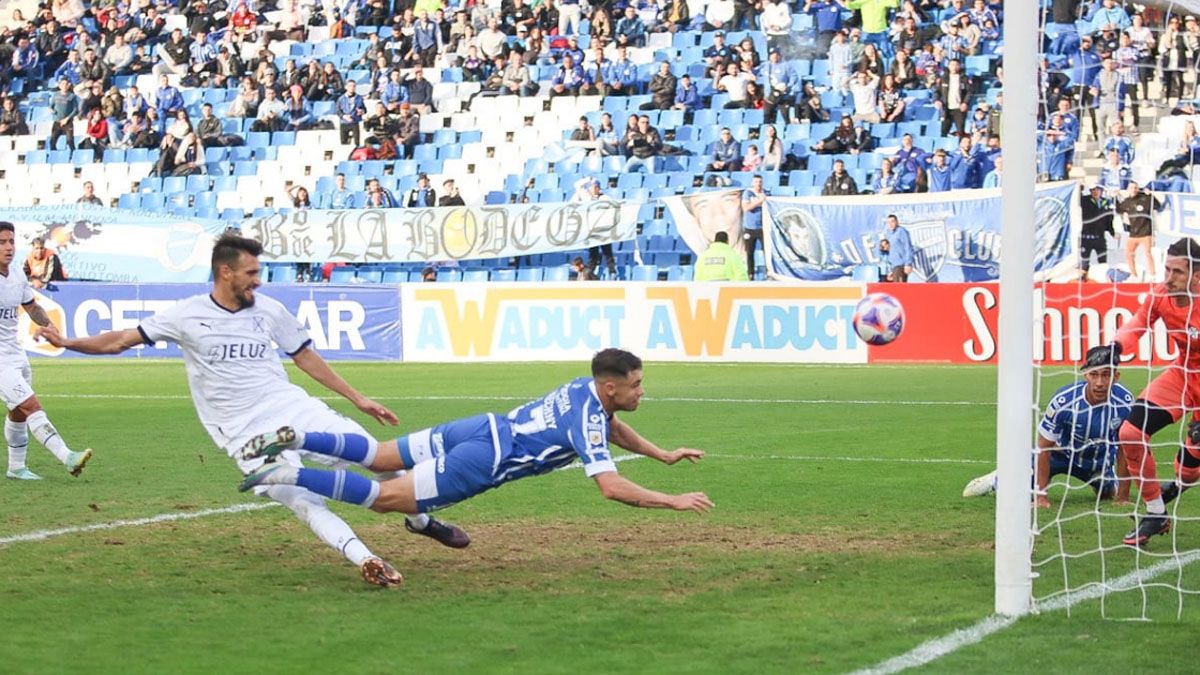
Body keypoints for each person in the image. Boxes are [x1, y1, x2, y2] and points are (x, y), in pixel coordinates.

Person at [34, 234, 468, 585]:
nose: (258, 280)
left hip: (292, 408)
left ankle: (420, 520)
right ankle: (365, 558)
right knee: (302, 499)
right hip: (243, 433)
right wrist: (68, 342)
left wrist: (358, 398)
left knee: (377, 453)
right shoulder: (186, 315)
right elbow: (120, 340)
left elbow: (304, 356)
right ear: (226, 272)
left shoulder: (269, 310)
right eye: (251, 272)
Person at [235, 349, 714, 559]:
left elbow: (613, 428)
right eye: (635, 385)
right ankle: (289, 475)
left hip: (480, 426)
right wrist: (670, 499)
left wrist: (662, 455)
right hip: (484, 461)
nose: (641, 391)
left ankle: (297, 437)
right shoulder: (589, 415)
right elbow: (610, 486)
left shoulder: (582, 389)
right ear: (611, 386)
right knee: (387, 498)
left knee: (380, 454)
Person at [962, 345, 1133, 508]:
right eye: (1094, 375)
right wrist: (1041, 497)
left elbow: (1126, 448)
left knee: (1107, 495)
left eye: (1106, 375)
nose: (1099, 383)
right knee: (1016, 493)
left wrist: (1123, 498)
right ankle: (997, 480)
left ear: (1116, 377)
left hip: (1096, 462)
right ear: (1085, 375)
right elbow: (1043, 447)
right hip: (1059, 455)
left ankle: (1104, 483)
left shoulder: (1125, 403)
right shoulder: (1064, 401)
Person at [1110, 239, 1200, 546]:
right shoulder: (1160, 295)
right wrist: (1115, 347)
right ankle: (1155, 511)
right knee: (1130, 432)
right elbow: (1137, 324)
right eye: (1167, 269)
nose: (1168, 277)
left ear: (1197, 276)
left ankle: (1176, 485)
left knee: (1189, 471)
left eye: (1177, 271)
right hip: (1183, 376)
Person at [0, 224, 90, 481]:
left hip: (15, 354)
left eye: (11, 241)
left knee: (17, 411)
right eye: (2, 242)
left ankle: (16, 467)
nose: (8, 247)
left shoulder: (17, 274)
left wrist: (50, 327)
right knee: (30, 405)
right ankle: (67, 457)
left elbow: (32, 307)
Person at [1116, 182, 1161, 282]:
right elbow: (1119, 210)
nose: (1133, 189)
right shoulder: (1127, 201)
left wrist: (1151, 195)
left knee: (1148, 254)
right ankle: (1134, 275)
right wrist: (1115, 197)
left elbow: (1158, 206)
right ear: (1128, 189)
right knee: (1128, 254)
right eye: (1131, 188)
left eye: (1135, 187)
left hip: (1146, 232)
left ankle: (1153, 275)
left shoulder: (1145, 198)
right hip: (1133, 233)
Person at [1079, 184, 1115, 280]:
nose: (1095, 192)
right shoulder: (1085, 200)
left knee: (1102, 259)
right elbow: (1077, 199)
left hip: (1100, 236)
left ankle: (1103, 277)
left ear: (1101, 190)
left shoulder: (1106, 202)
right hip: (1086, 236)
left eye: (1097, 190)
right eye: (1092, 190)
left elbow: (1109, 218)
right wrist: (1079, 188)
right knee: (1085, 260)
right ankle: (1083, 278)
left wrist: (1112, 232)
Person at [741, 175, 766, 279]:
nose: (758, 184)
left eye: (760, 182)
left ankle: (769, 272)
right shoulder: (748, 193)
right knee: (749, 252)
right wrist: (759, 201)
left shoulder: (766, 193)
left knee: (767, 251)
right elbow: (746, 208)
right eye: (756, 182)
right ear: (752, 183)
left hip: (763, 227)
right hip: (749, 227)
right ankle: (750, 273)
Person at [877, 214, 912, 281]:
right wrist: (890, 270)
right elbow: (890, 252)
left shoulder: (901, 231)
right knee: (894, 289)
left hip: (900, 266)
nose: (890, 224)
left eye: (892, 221)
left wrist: (908, 264)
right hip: (894, 266)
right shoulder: (889, 234)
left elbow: (908, 247)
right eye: (888, 222)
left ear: (897, 222)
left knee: (899, 289)